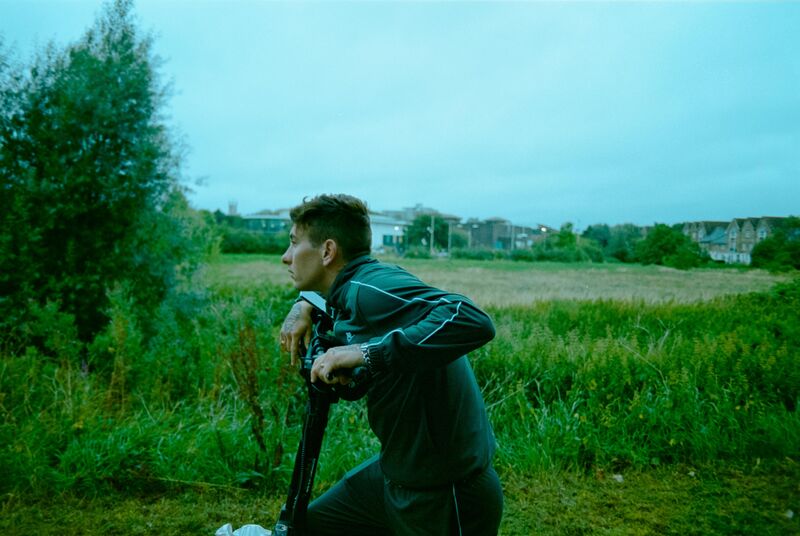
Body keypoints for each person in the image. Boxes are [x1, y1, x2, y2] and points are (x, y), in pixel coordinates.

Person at [279, 194, 503, 535]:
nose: (286, 257)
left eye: (294, 244)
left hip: (444, 495)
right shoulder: (348, 290)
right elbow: (342, 308)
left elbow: (471, 318)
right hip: (396, 476)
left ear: (327, 251)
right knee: (306, 528)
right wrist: (305, 304)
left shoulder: (371, 287)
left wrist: (366, 354)